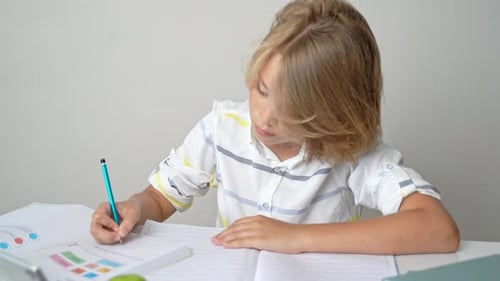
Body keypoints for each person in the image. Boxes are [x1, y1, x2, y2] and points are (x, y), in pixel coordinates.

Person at [90, 0, 459, 255]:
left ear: (334, 115)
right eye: (261, 90)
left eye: (294, 112)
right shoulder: (222, 127)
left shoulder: (348, 152)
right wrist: (133, 207)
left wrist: (295, 238)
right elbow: (160, 198)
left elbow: (438, 229)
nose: (265, 118)